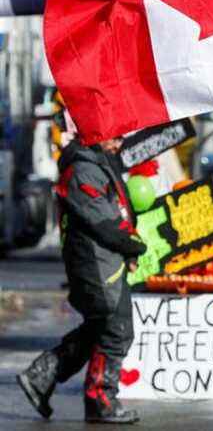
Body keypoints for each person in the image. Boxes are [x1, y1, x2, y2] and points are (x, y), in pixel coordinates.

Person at [17, 133, 146, 424]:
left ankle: (42, 374)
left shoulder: (98, 161)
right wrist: (133, 243)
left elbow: (117, 208)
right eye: (114, 138)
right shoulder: (83, 167)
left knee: (100, 328)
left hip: (105, 262)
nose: (119, 144)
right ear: (97, 134)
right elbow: (102, 219)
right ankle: (100, 399)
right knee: (116, 330)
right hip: (96, 265)